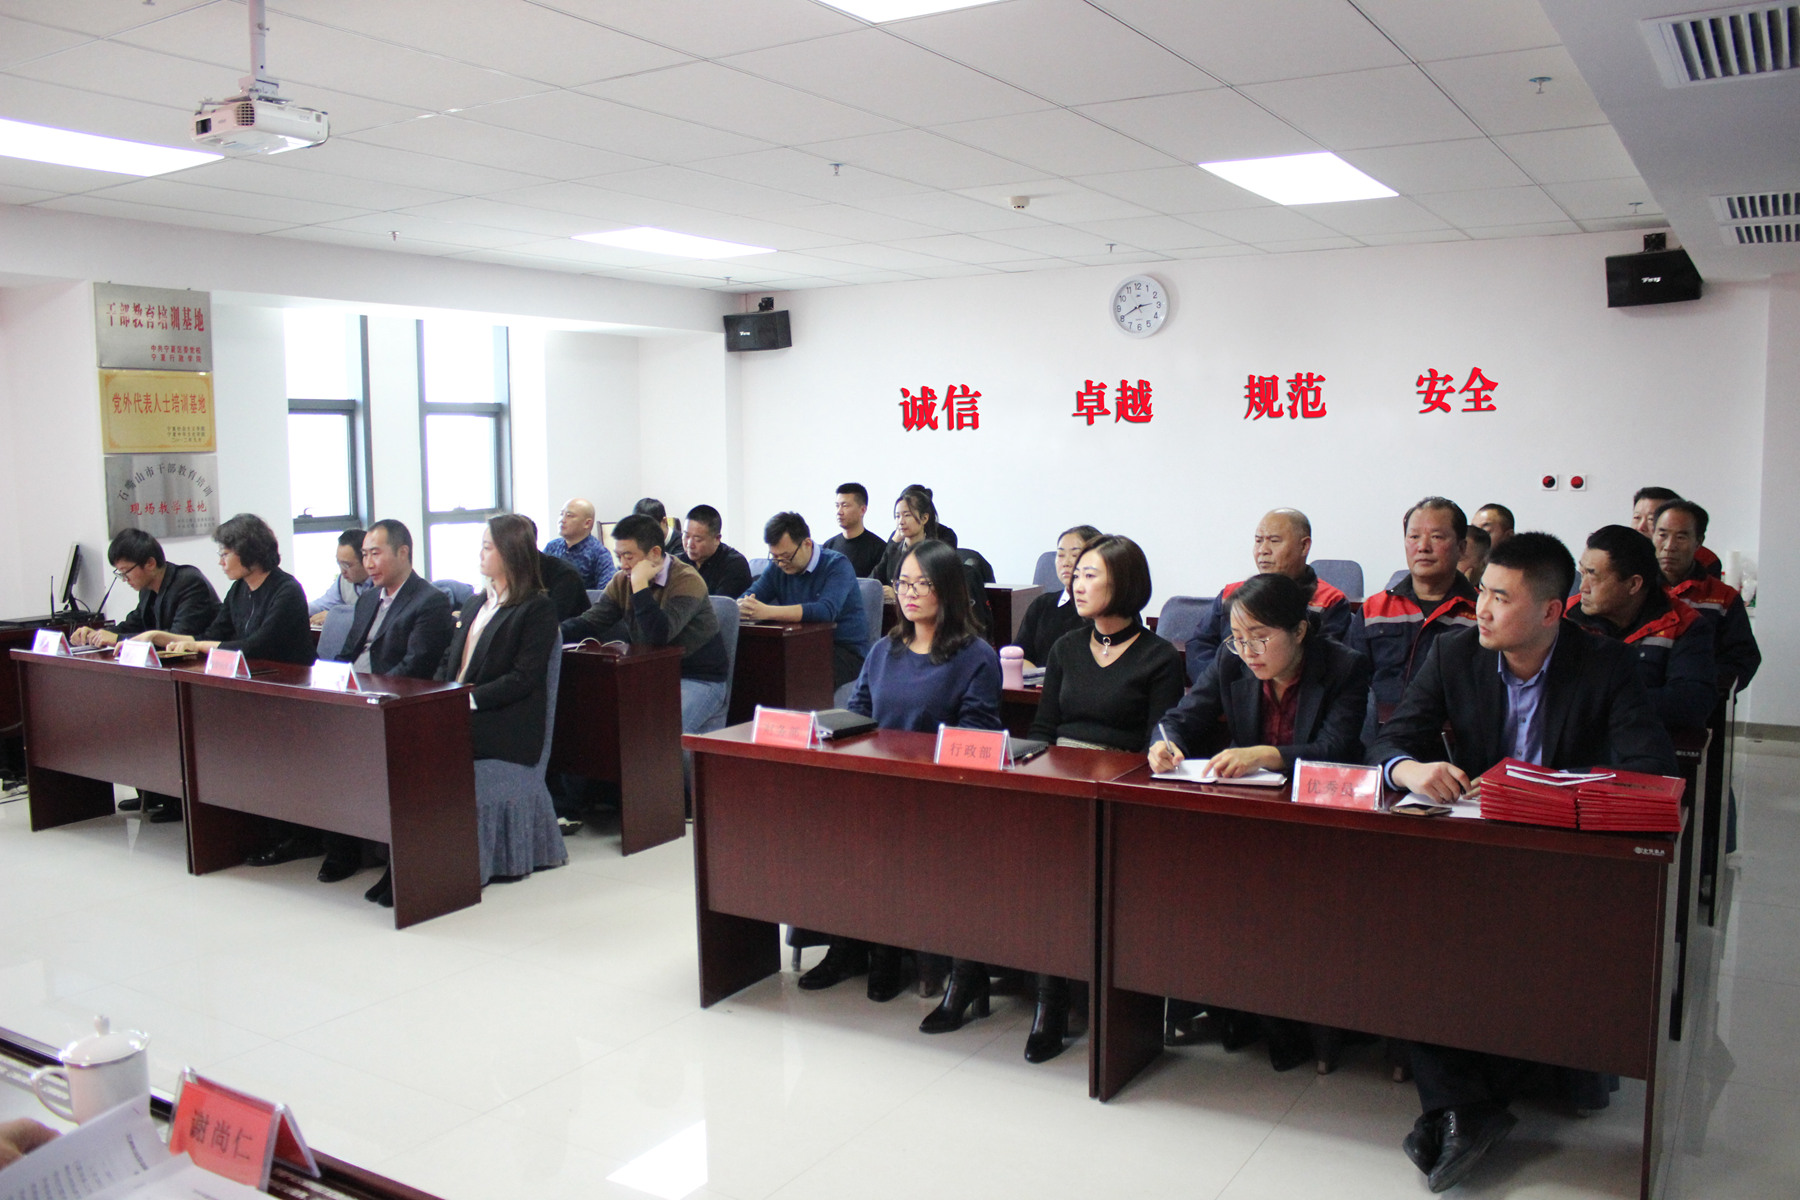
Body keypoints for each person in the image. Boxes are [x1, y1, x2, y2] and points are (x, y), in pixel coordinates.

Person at [1369, 532, 1674, 1193]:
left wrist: (1540, 790)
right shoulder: (1455, 654)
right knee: (1409, 931)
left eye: (1501, 598)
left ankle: (1457, 1108)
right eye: (1482, 591)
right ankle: (1463, 1107)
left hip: (1566, 858)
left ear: (1551, 611)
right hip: (1476, 851)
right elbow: (1391, 738)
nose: (1481, 608)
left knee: (1525, 951)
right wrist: (1413, 768)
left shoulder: (1606, 664)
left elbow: (1648, 768)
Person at [1149, 572, 1372, 1072]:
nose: (1247, 650)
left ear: (1299, 630)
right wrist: (1164, 744)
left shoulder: (1344, 666)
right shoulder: (1231, 660)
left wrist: (1265, 754)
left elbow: (1336, 748)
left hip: (1319, 818)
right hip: (1250, 814)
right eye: (1238, 638)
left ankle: (1282, 1019)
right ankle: (1228, 1004)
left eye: (1260, 637)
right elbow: (1181, 716)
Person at [801, 539, 1000, 1007]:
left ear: (947, 590)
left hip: (939, 793)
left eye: (921, 584)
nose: (908, 594)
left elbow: (977, 736)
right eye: (903, 583)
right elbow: (857, 715)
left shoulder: (975, 655)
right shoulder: (885, 648)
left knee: (886, 832)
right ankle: (848, 944)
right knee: (823, 825)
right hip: (877, 784)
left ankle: (886, 950)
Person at [1024, 535, 1183, 1063]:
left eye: (1091, 574)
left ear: (1125, 584)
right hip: (1062, 789)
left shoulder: (1159, 656)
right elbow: (1044, 728)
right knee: (1046, 882)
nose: (1077, 583)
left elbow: (1157, 740)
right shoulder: (1066, 647)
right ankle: (1049, 1001)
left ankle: (1112, 1004)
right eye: (1077, 574)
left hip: (1120, 795)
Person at [406, 513, 560, 908]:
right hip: (461, 709)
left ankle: (437, 863)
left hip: (506, 721)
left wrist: (466, 700)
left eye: (488, 547)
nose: (481, 554)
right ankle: (410, 859)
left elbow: (523, 678)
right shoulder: (477, 602)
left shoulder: (536, 608)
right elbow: (449, 660)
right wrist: (436, 695)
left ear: (510, 553)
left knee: (427, 744)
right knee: (403, 734)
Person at [154, 514, 315, 842]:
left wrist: (199, 645)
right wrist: (172, 642)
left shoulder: (286, 590)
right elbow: (215, 634)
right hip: (249, 687)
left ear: (249, 552)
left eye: (225, 553)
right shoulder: (239, 590)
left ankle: (290, 833)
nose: (221, 562)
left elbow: (256, 646)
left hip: (289, 694)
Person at [319, 519, 456, 889]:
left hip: (398, 706)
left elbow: (415, 667)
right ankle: (335, 842)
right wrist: (330, 683)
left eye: (375, 553)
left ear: (403, 552)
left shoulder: (429, 601)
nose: (368, 563)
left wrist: (369, 695)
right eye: (364, 555)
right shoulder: (368, 599)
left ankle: (368, 852)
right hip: (355, 697)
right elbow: (348, 654)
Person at [72, 528, 220, 821]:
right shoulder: (148, 590)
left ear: (150, 563)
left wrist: (119, 640)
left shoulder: (188, 582)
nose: (124, 579)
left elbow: (179, 638)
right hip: (166, 676)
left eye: (126, 572)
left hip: (197, 676)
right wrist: (98, 633)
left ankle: (175, 799)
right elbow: (134, 626)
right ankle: (152, 792)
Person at [564, 513, 731, 736]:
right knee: (603, 724)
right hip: (650, 674)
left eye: (629, 556)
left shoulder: (687, 581)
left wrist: (640, 585)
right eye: (618, 556)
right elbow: (591, 621)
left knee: (660, 734)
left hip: (698, 678)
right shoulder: (622, 580)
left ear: (654, 553)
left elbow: (658, 635)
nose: (622, 565)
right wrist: (554, 633)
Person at [1568, 525, 1715, 731]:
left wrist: (1604, 701)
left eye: (1593, 576)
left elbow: (1691, 702)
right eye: (1582, 573)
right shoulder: (1564, 617)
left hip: (1648, 738)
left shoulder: (1685, 625)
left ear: (1633, 585)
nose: (1583, 587)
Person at [1350, 497, 1478, 731]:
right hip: (1379, 735)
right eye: (1414, 536)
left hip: (1452, 738)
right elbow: (1351, 682)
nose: (1423, 547)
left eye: (1437, 537)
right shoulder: (1375, 609)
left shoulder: (1481, 612)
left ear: (1461, 548)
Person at [1186, 509, 1352, 682]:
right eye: (1258, 541)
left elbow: (1322, 661)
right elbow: (1200, 645)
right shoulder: (1232, 594)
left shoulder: (1328, 601)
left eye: (1274, 541)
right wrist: (1221, 684)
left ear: (1304, 546)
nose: (1263, 550)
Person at [741, 511, 869, 690]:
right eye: (775, 557)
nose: (780, 563)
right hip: (798, 644)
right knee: (752, 668)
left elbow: (825, 611)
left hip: (842, 650)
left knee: (799, 676)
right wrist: (742, 606)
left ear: (807, 544)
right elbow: (751, 595)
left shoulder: (837, 565)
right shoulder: (777, 567)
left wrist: (767, 611)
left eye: (786, 556)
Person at [1654, 499, 1760, 694]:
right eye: (1662, 535)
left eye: (1681, 537)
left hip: (1700, 702)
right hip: (1640, 701)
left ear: (1698, 542)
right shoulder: (1635, 590)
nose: (1669, 546)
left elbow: (1743, 657)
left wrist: (1704, 686)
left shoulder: (1723, 598)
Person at [1015, 524, 1101, 667]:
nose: (1066, 562)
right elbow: (1019, 656)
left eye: (1075, 555)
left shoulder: (1109, 609)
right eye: (1060, 555)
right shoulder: (1042, 605)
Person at [876, 484, 957, 597]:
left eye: (907, 515)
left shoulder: (935, 550)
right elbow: (873, 580)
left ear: (924, 518)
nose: (901, 522)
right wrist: (893, 543)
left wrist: (898, 594)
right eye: (897, 516)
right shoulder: (895, 547)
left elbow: (940, 590)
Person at [1633, 486, 1721, 577]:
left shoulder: (1705, 560)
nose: (1640, 527)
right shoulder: (1625, 557)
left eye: (1651, 519)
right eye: (1637, 517)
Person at [679, 504, 753, 597]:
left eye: (698, 539)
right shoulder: (678, 562)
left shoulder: (734, 565)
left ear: (717, 539)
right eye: (686, 536)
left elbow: (720, 604)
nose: (690, 544)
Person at [525, 517, 589, 621]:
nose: (563, 520)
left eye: (570, 515)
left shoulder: (565, 575)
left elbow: (549, 622)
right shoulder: (553, 545)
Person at [542, 498, 614, 590]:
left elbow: (605, 592)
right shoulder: (552, 547)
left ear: (587, 523)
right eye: (561, 514)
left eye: (569, 516)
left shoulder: (599, 554)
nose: (562, 520)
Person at [307, 527, 372, 623]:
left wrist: (337, 616)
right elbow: (322, 605)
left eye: (346, 565)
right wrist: (299, 608)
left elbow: (374, 613)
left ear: (365, 560)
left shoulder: (383, 582)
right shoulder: (343, 581)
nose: (342, 571)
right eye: (339, 563)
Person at [822, 482, 887, 578]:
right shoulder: (828, 546)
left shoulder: (879, 549)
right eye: (837, 506)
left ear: (862, 510)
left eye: (845, 506)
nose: (839, 512)